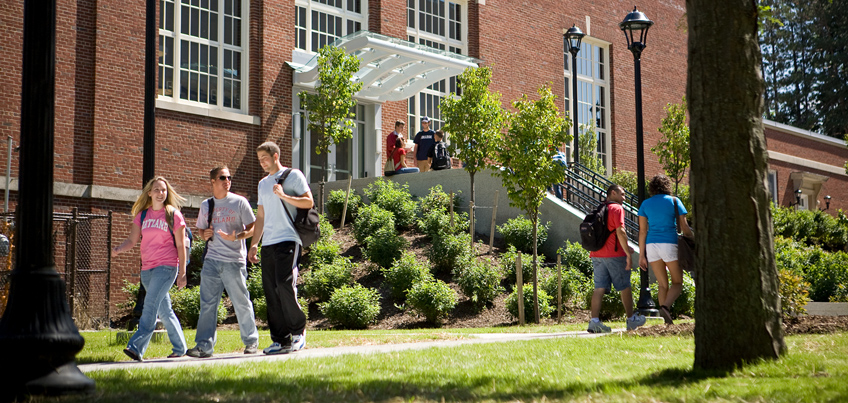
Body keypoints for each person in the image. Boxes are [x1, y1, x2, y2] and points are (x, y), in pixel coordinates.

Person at [185, 166, 259, 358]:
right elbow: (201, 231)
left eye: (229, 177)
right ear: (213, 181)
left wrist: (237, 236)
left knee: (241, 302)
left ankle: (251, 342)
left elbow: (254, 228)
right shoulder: (206, 205)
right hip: (211, 260)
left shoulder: (239, 202)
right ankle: (204, 346)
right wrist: (204, 234)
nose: (227, 180)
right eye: (222, 177)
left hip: (234, 261)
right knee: (208, 304)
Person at [112, 176, 188, 361]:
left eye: (163, 190)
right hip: (147, 270)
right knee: (164, 310)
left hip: (167, 267)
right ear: (149, 193)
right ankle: (180, 347)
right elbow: (132, 240)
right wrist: (118, 249)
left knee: (150, 305)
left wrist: (183, 272)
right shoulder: (143, 215)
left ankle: (136, 346)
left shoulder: (173, 215)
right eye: (157, 190)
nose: (160, 193)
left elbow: (180, 245)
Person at [248, 142, 313, 355]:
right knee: (271, 291)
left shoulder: (293, 175)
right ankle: (280, 339)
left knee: (284, 284)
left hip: (288, 239)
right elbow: (261, 216)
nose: (262, 163)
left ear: (275, 156)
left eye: (264, 158)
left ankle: (298, 331)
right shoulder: (262, 184)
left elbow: (308, 202)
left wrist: (284, 196)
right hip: (268, 243)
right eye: (259, 160)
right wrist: (254, 243)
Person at [587, 184, 647, 333]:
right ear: (612, 193)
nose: (624, 198)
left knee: (599, 288)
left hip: (597, 254)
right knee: (624, 286)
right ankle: (631, 319)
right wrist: (627, 253)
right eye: (622, 194)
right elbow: (620, 231)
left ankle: (594, 322)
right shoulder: (616, 208)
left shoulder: (600, 207)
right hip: (614, 254)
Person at [638, 174, 694, 325]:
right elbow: (684, 227)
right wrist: (694, 239)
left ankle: (666, 322)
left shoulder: (645, 204)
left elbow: (642, 231)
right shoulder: (675, 201)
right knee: (677, 283)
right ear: (667, 186)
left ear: (652, 188)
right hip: (670, 243)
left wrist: (641, 255)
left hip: (651, 246)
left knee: (663, 284)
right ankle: (665, 306)